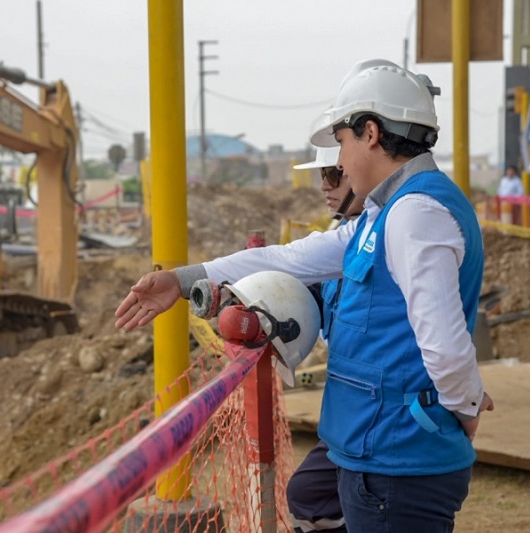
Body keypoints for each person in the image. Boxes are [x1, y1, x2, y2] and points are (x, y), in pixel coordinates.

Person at [116, 58, 494, 532]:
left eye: (341, 142)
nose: (338, 162)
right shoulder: (388, 212)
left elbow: (443, 340)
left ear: (371, 133)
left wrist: (465, 407)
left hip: (397, 459)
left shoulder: (416, 213)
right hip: (377, 449)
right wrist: (183, 279)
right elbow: (293, 258)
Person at [287, 146, 364, 533]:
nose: (324, 186)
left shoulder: (385, 237)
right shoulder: (343, 236)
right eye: (321, 176)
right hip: (348, 417)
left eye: (334, 175)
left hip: (378, 420)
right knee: (306, 495)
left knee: (315, 496)